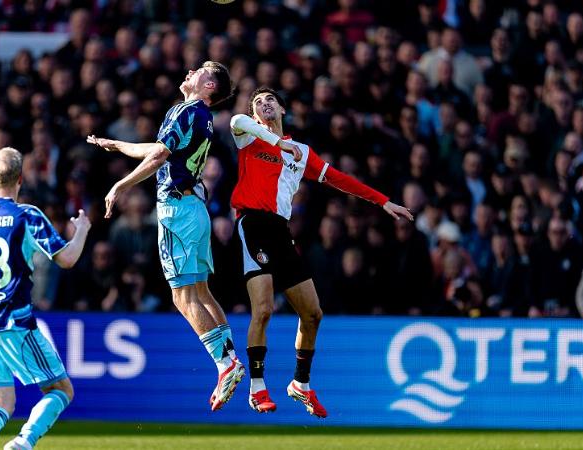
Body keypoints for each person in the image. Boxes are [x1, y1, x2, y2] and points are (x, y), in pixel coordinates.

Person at [229, 87, 413, 417]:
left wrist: (382, 200)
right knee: (264, 308)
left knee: (313, 313)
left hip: (281, 232)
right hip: (252, 225)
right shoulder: (248, 136)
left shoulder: (301, 151)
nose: (264, 104)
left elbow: (339, 179)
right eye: (258, 102)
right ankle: (257, 387)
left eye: (270, 100)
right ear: (254, 114)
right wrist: (277, 142)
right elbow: (236, 120)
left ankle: (300, 383)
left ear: (282, 109)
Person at [86, 61, 244, 411]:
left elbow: (159, 155)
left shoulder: (186, 110)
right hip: (195, 209)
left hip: (176, 211)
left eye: (201, 71)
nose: (191, 71)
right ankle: (230, 358)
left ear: (209, 87)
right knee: (200, 291)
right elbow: (160, 149)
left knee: (182, 296)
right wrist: (118, 145)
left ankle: (225, 364)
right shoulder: (199, 116)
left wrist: (120, 185)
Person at [0, 147, 90, 450]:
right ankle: (23, 443)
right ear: (20, 178)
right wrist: (82, 230)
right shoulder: (26, 215)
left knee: (0, 402)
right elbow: (66, 259)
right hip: (12, 319)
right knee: (61, 390)